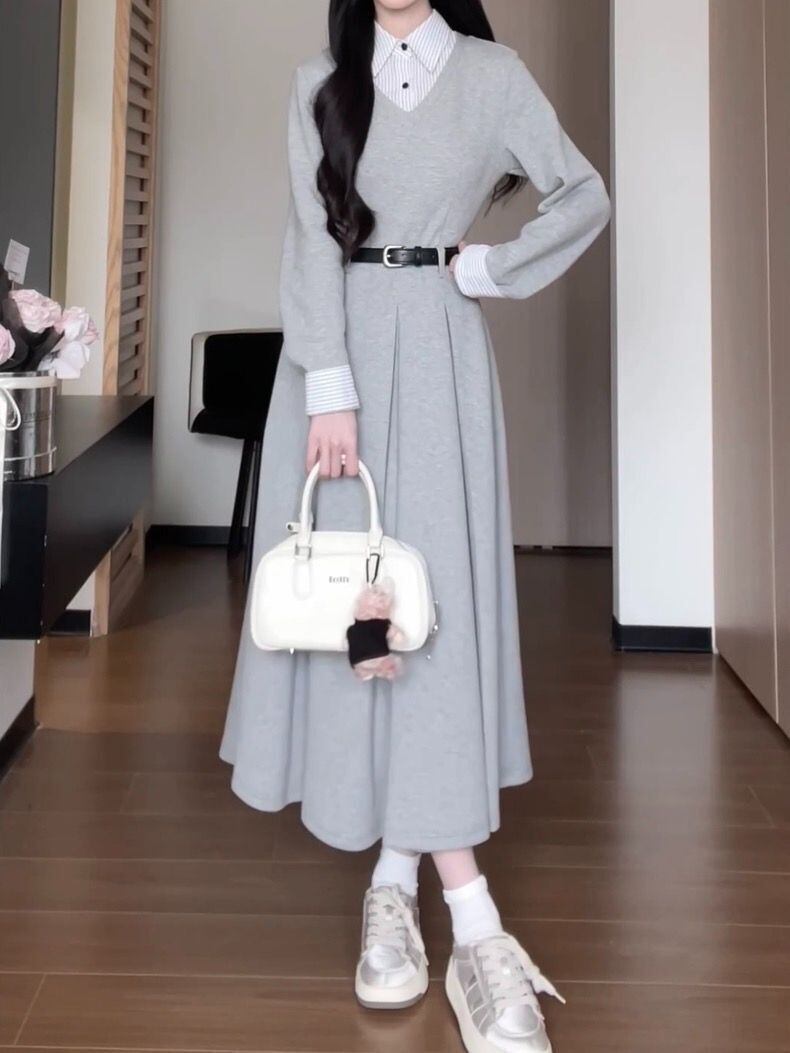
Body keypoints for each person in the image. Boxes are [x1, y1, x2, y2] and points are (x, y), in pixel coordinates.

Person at [220, 1, 610, 1049]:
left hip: (440, 355)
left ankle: (411, 889)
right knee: (359, 617)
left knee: (427, 618)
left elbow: (583, 193)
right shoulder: (318, 82)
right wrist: (329, 388)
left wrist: (482, 269)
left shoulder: (493, 75)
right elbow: (309, 238)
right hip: (332, 366)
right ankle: (446, 908)